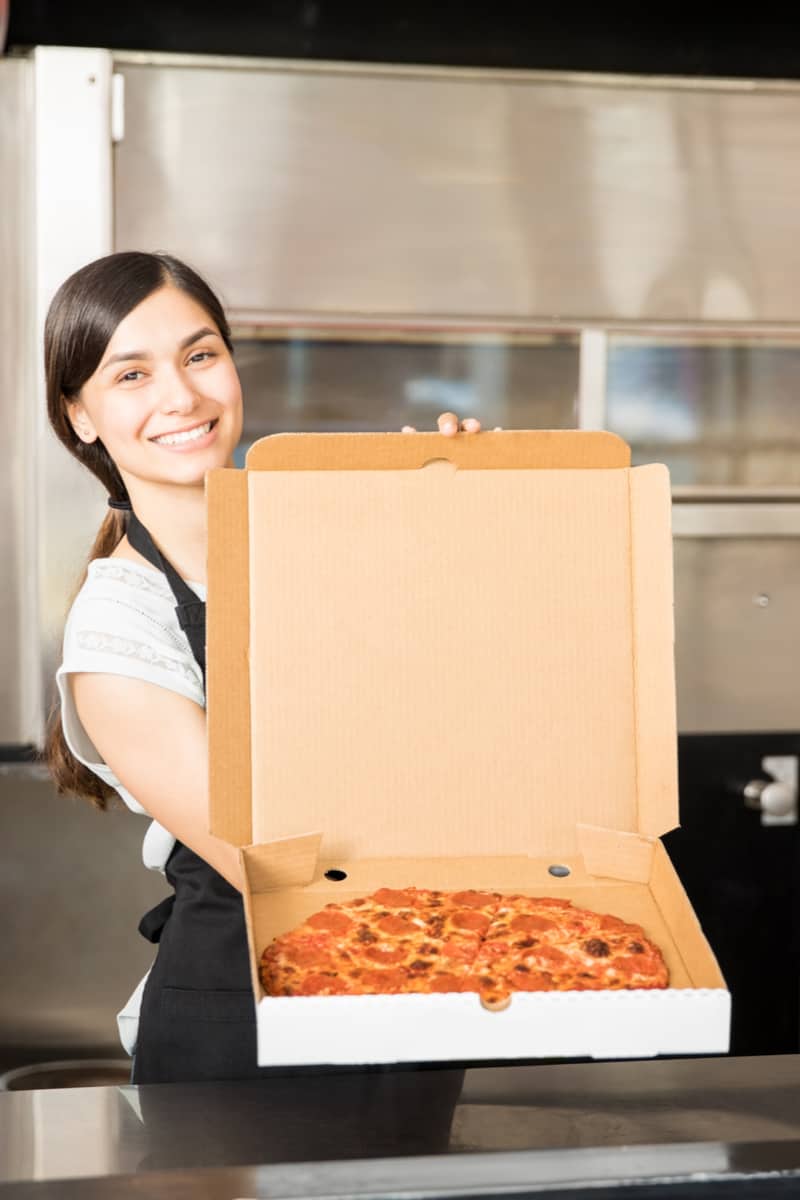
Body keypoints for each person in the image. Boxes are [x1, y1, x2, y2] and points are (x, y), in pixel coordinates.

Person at [45, 250, 484, 1084]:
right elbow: (274, 852)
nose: (182, 397)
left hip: (403, 990)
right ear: (81, 417)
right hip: (246, 1028)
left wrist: (460, 522)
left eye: (200, 355)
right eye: (130, 374)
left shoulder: (333, 541)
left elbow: (484, 686)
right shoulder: (118, 623)